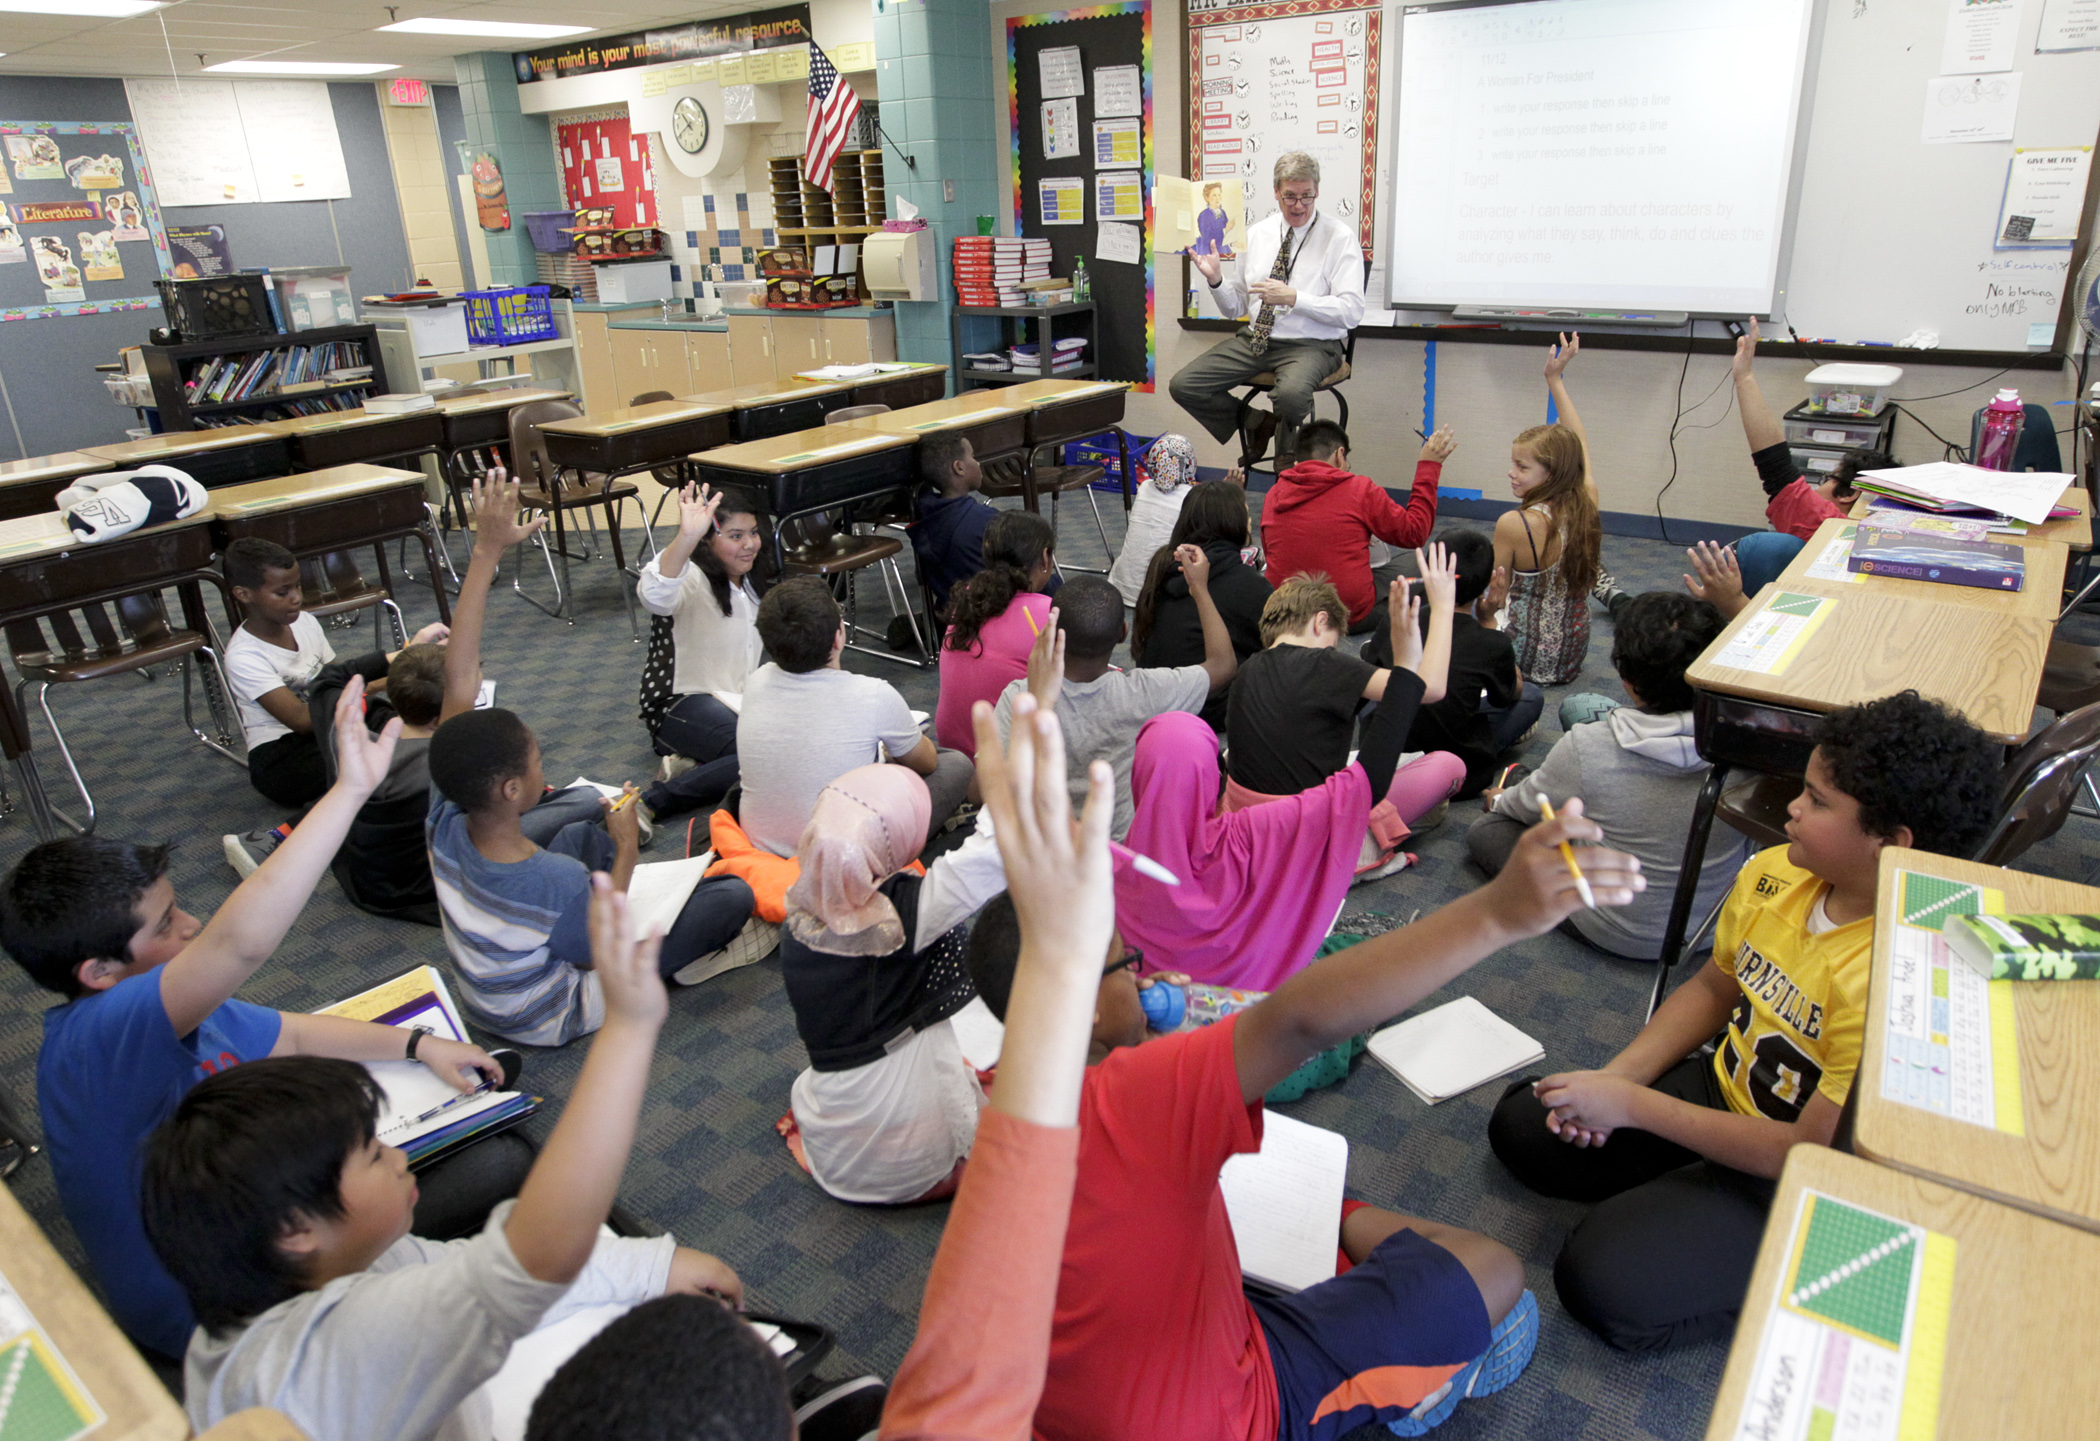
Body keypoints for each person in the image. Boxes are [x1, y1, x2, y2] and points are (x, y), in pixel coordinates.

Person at [967, 759, 1646, 1441]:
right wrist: (1497, 913)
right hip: (1232, 1409)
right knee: (1499, 1277)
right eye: (1126, 962)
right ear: (1082, 1009)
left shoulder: (994, 1108)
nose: (1143, 970)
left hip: (1065, 1402)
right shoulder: (1137, 1097)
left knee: (1276, 1203)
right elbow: (1299, 1019)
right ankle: (1410, 1384)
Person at [0, 683, 520, 1361]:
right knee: (498, 1171)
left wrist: (421, 1043)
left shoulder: (172, 1009)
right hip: (210, 1311)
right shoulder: (94, 1042)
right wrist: (348, 792)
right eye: (164, 926)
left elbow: (297, 1032)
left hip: (258, 1228)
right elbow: (238, 944)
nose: (189, 926)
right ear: (98, 973)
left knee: (490, 1158)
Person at [142, 878, 749, 1441]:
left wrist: (646, 1269)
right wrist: (630, 1025)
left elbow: (469, 1268)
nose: (399, 1157)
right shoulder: (320, 1352)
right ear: (296, 1229)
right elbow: (531, 1260)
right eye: (372, 1154)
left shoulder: (341, 1264)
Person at [1488, 691, 2002, 1352]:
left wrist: (1633, 1107)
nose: (1789, 805)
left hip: (1796, 1174)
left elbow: (1802, 1153)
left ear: (1891, 845)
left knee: (1599, 1281)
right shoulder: (1775, 872)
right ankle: (1680, 1199)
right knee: (1524, 1124)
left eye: (1817, 800)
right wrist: (1616, 1081)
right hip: (1725, 1092)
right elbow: (1711, 988)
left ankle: (1802, 1271)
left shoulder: (1897, 978)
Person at [426, 485, 760, 1043]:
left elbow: (459, 680)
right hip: (557, 1010)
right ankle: (669, 931)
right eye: (535, 762)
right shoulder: (548, 880)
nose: (543, 768)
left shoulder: (442, 821)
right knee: (733, 898)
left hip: (488, 994)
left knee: (582, 832)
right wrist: (627, 847)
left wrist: (486, 553)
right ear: (511, 790)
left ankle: (632, 882)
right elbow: (593, 956)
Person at [1116, 576, 1447, 990]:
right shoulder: (1250, 840)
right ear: (1319, 622)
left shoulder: (1111, 873)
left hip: (1162, 1010)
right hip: (1304, 842)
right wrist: (1413, 651)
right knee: (1444, 767)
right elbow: (1368, 780)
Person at [1467, 592, 1747, 960]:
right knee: (1579, 709)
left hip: (1616, 929)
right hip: (1712, 926)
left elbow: (1519, 810)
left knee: (1486, 831)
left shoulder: (1590, 745)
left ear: (1627, 678)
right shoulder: (1747, 738)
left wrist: (1498, 799)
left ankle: (1539, 782)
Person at [778, 764, 1007, 1204]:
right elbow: (991, 858)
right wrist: (1003, 784)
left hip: (839, 1141)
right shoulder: (900, 917)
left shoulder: (802, 908)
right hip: (903, 1158)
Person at [1225, 564, 1464, 842]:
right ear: (1320, 621)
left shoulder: (1246, 669)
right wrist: (1444, 607)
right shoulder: (1325, 664)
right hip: (1304, 829)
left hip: (1244, 820)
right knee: (1448, 765)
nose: (1334, 650)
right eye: (1334, 642)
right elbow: (1431, 687)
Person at [740, 576, 975, 856]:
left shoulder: (755, 681)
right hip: (846, 858)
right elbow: (927, 763)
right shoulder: (873, 695)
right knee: (956, 764)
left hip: (761, 848)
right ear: (839, 637)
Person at [993, 567, 1235, 839]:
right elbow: (1223, 664)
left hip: (1043, 853)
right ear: (1123, 633)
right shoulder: (1146, 692)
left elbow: (982, 792)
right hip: (1121, 852)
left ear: (1050, 630)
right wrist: (1199, 589)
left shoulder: (1020, 697)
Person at [1169, 151, 1366, 469]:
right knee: (1184, 384)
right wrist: (1217, 280)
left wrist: (1294, 298)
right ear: (1276, 191)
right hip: (1256, 339)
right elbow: (1236, 308)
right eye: (1290, 196)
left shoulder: (1339, 237)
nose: (1299, 205)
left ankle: (1287, 459)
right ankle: (1257, 423)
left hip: (1312, 345)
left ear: (1317, 190)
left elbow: (1352, 311)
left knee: (1289, 396)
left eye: (1307, 196)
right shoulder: (1257, 234)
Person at [223, 536, 427, 809]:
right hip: (283, 752)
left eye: (297, 586)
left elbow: (336, 682)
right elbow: (302, 720)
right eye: (282, 593)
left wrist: (408, 672)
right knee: (368, 752)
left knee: (395, 723)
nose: (296, 598)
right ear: (244, 595)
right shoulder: (243, 655)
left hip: (327, 725)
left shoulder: (305, 622)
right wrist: (386, 673)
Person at [636, 481, 768, 819]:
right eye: (735, 536)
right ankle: (652, 802)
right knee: (758, 757)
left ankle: (696, 766)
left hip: (736, 704)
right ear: (707, 541)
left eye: (753, 533)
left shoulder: (750, 581)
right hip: (680, 704)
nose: (750, 544)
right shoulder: (689, 575)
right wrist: (687, 537)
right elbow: (654, 594)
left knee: (786, 743)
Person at [1386, 530, 1542, 798]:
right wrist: (1489, 622)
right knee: (1531, 696)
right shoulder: (1490, 642)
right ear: (1485, 584)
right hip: (1461, 772)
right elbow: (1510, 694)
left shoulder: (1398, 616)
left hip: (1390, 758)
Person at [1488, 334, 1601, 687]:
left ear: (1550, 473)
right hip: (1571, 657)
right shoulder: (1587, 498)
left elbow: (1494, 597)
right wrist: (1555, 379)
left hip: (1520, 660)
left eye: (1522, 467)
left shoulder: (1515, 523)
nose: (1511, 473)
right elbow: (1578, 443)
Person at [1261, 420, 1448, 632]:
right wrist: (1429, 466)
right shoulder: (1360, 489)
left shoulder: (1273, 494)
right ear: (1340, 455)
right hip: (1347, 615)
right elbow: (1415, 532)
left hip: (1286, 613)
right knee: (1430, 561)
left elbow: (1273, 553)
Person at [1130, 475, 1270, 730]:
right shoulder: (1246, 583)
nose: (1250, 520)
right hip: (1208, 708)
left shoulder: (1164, 564)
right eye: (1246, 513)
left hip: (1156, 696)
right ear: (1233, 522)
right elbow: (1273, 645)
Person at [935, 510, 1056, 758]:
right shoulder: (1047, 613)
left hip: (954, 752)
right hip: (1004, 759)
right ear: (1045, 558)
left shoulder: (967, 597)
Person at [906, 433, 996, 615]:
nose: (978, 463)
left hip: (956, 618)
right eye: (973, 457)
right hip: (995, 613)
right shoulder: (988, 520)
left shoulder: (925, 523)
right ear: (959, 467)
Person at [1108, 434, 1203, 603]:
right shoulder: (1193, 497)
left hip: (1120, 588)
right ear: (1190, 464)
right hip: (1160, 596)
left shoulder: (1144, 488)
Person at [1193, 181, 1235, 258]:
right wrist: (1225, 230)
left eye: (1219, 194)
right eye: (1214, 195)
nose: (1218, 198)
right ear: (1207, 198)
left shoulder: (1222, 212)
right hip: (1210, 251)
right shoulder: (1204, 215)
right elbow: (1206, 237)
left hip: (1224, 247)